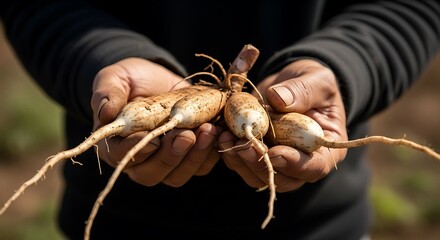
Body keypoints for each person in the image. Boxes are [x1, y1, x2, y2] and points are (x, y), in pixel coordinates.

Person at [1, 0, 439, 239]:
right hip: (126, 225)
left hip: (319, 228)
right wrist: (103, 61)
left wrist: (343, 66)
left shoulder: (252, 108)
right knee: (149, 124)